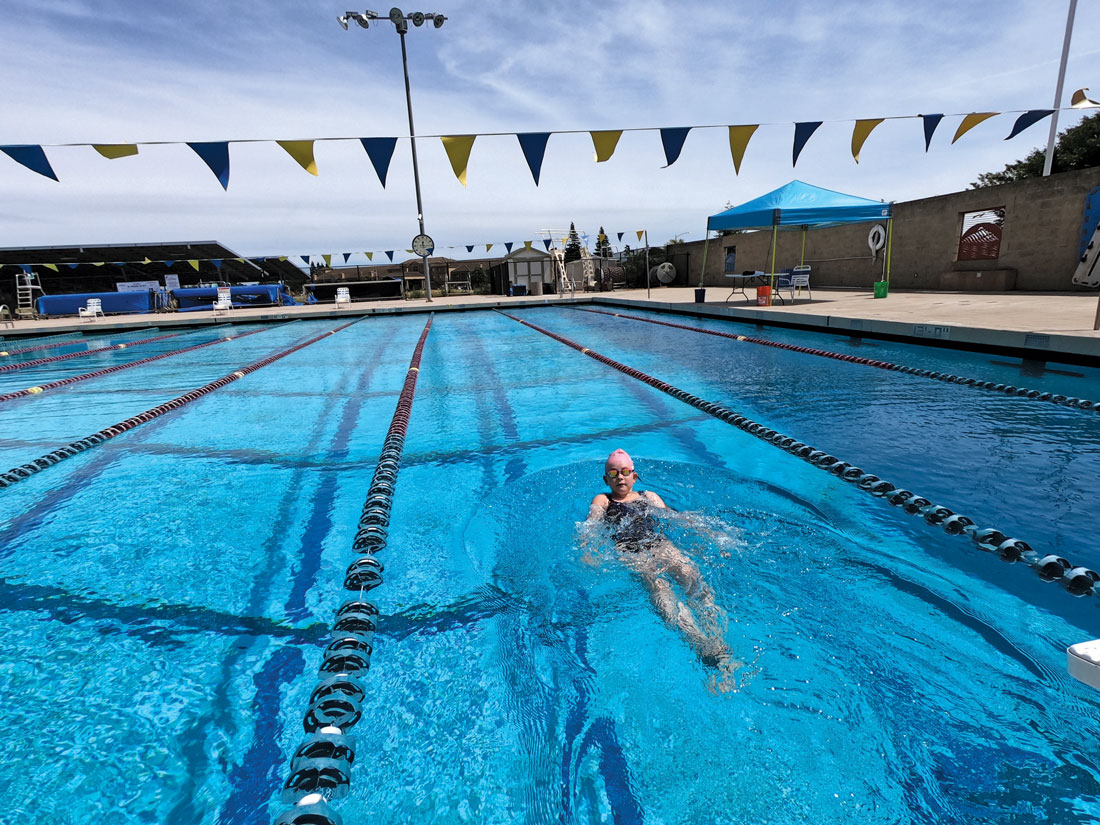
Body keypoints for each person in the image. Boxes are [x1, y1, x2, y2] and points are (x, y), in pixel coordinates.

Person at [586, 449, 735, 678]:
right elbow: (591, 524)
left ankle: (718, 637)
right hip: (632, 554)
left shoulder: (649, 496)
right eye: (613, 473)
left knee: (690, 573)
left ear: (635, 476)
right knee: (660, 588)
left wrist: (710, 533)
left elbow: (676, 517)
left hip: (660, 546)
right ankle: (699, 641)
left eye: (625, 471)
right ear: (606, 479)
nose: (619, 477)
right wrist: (589, 547)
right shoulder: (603, 500)